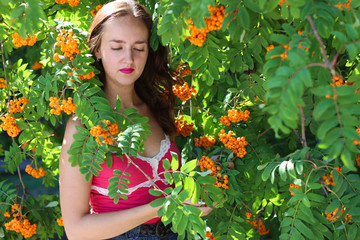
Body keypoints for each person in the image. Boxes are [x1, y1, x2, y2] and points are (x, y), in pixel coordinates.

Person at [58, 0, 213, 239]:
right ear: (98, 50)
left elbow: (172, 186)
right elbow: (76, 230)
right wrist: (161, 206)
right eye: (117, 47)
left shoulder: (157, 107)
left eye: (138, 48)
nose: (129, 59)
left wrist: (201, 187)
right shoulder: (83, 126)